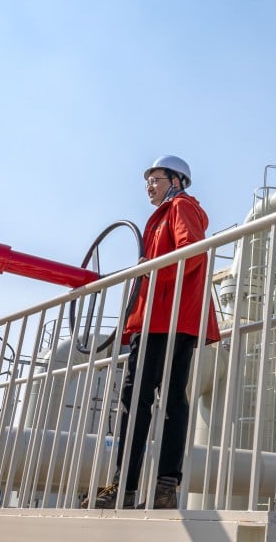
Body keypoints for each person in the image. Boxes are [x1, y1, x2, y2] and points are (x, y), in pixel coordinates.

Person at [83, 155, 221, 510]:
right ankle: (156, 488)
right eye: (148, 180)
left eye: (156, 179)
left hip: (166, 316)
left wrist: (153, 272)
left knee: (140, 398)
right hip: (169, 315)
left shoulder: (180, 206)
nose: (149, 185)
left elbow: (194, 253)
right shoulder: (165, 215)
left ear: (176, 180)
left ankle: (131, 487)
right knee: (166, 397)